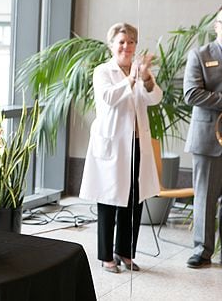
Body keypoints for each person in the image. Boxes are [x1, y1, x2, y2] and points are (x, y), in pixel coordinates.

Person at [80, 23, 162, 273]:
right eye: (122, 42)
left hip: (137, 143)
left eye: (132, 42)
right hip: (113, 144)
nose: (127, 47)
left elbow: (155, 97)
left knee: (134, 199)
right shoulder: (103, 71)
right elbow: (109, 98)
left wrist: (146, 78)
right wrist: (131, 78)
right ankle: (106, 255)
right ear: (112, 45)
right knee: (109, 199)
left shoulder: (141, 72)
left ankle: (125, 252)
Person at [183, 8, 222, 269]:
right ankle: (202, 250)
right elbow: (191, 94)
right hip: (208, 138)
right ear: (217, 25)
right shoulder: (200, 54)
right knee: (205, 197)